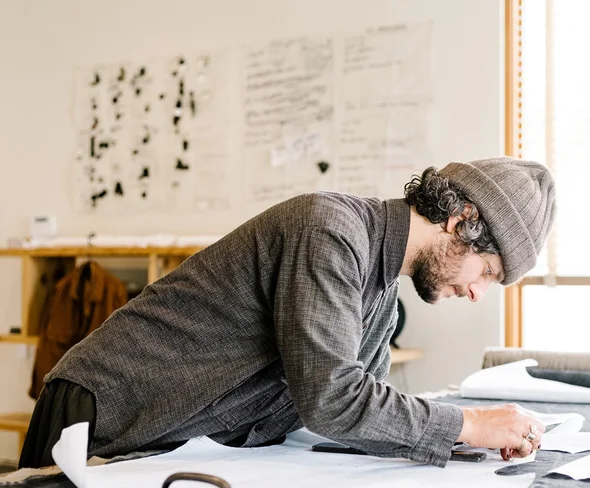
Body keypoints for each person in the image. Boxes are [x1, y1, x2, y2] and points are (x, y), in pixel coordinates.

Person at [19, 156, 556, 469]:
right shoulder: (330, 231)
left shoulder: (383, 303)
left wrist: (469, 446)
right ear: (462, 221)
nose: (478, 292)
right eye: (487, 271)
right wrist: (470, 424)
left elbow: (359, 420)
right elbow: (332, 400)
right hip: (102, 413)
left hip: (171, 445)